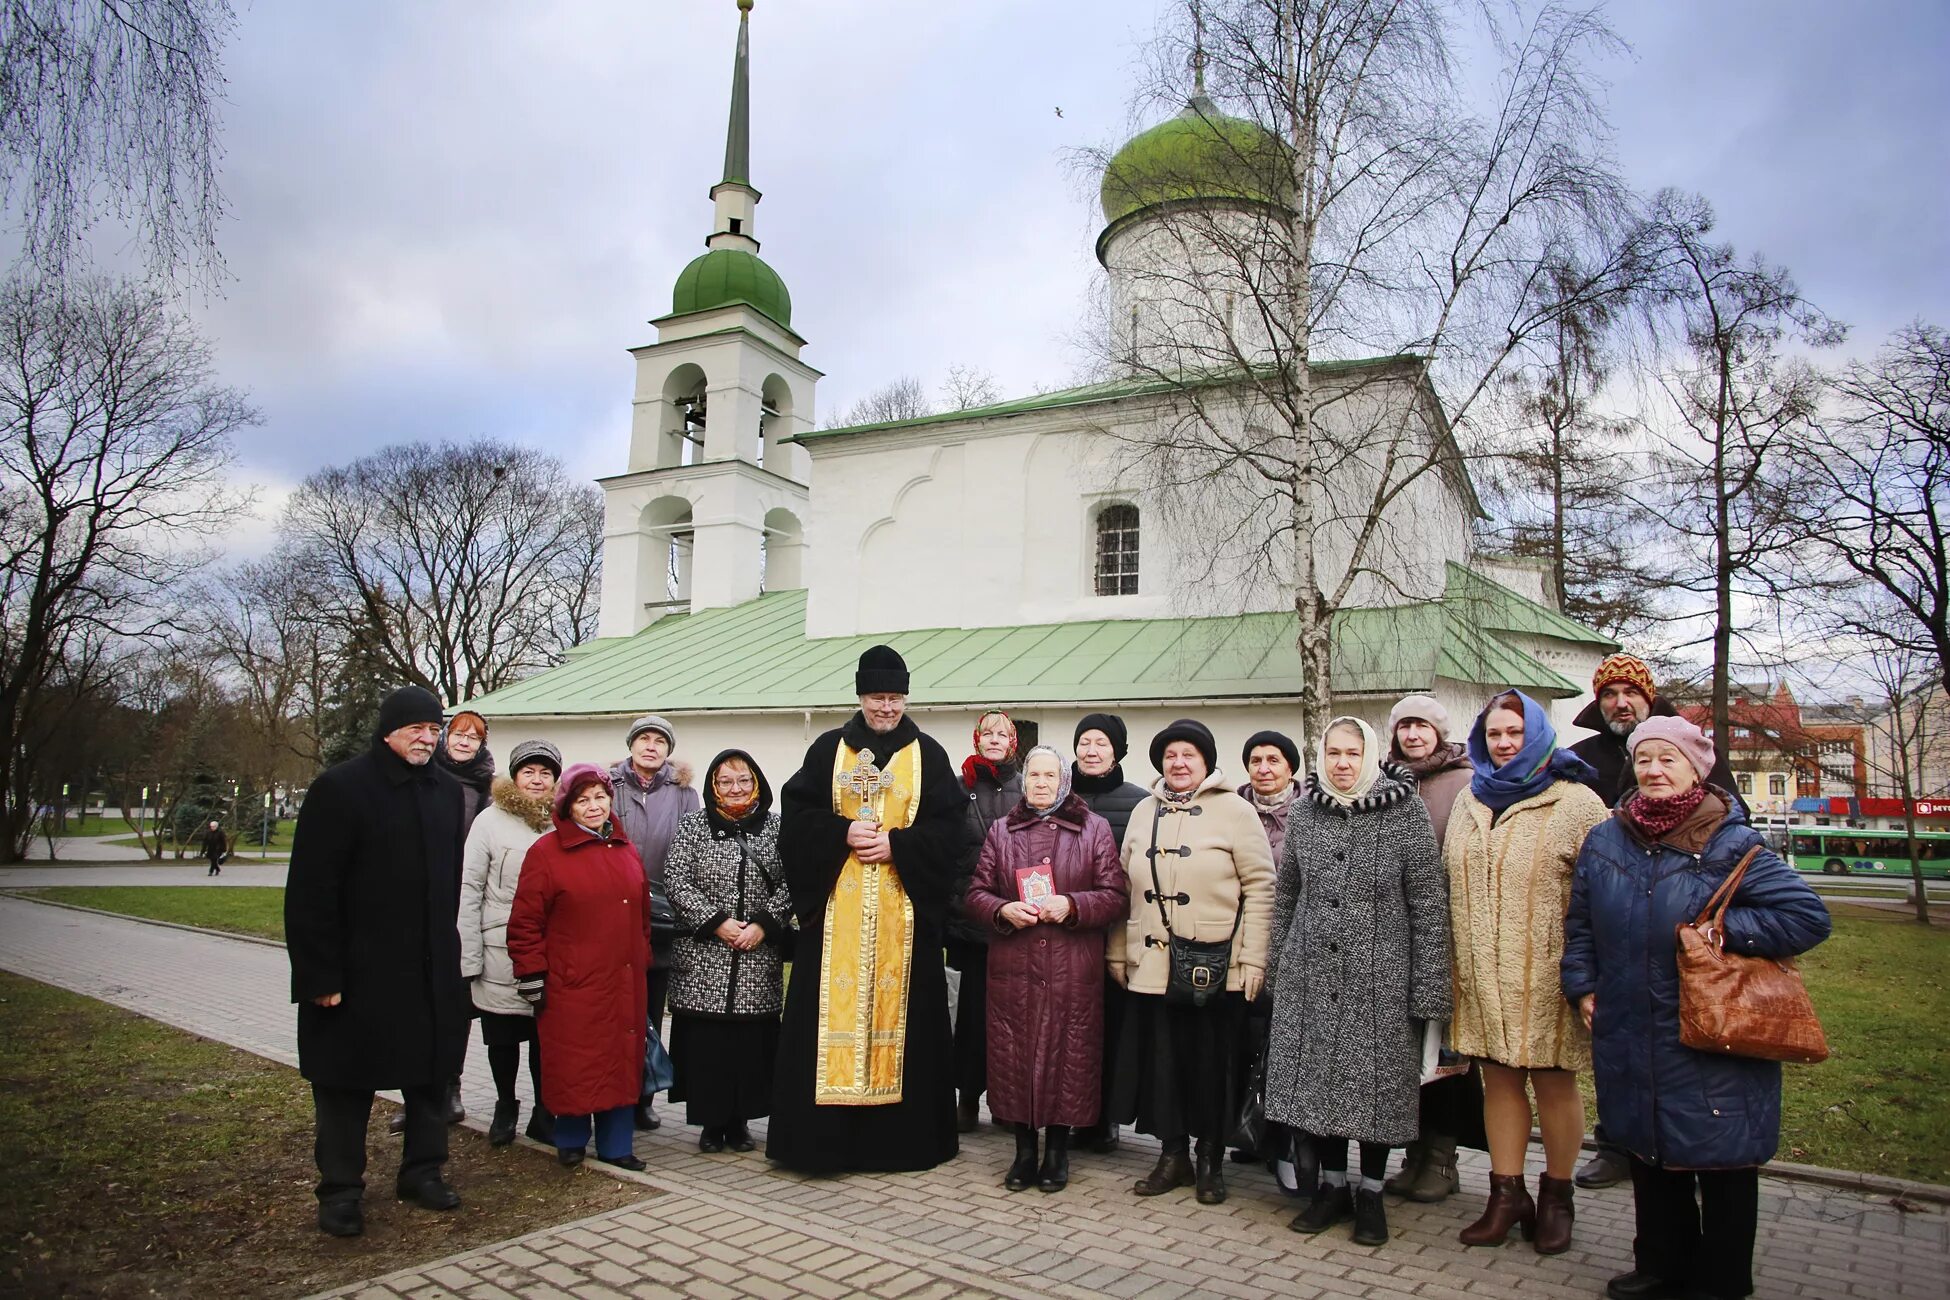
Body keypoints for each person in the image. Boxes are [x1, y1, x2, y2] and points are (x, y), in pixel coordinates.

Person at [1562, 715, 1830, 1300]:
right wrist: (1582, 986)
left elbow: (1807, 917)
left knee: (1722, 1158)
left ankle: (1724, 1277)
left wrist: (1717, 930)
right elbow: (1580, 923)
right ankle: (1662, 1264)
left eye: (1669, 759)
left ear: (1696, 768)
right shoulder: (1608, 838)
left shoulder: (1731, 840)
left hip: (1713, 1027)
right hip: (1632, 1025)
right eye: (1644, 759)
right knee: (1649, 1150)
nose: (1654, 770)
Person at [767, 645, 967, 1174]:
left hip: (905, 917)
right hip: (835, 915)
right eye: (878, 698)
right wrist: (842, 833)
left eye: (896, 698)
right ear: (860, 696)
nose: (887, 708)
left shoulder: (930, 755)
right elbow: (796, 819)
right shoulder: (829, 750)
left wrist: (899, 845)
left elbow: (951, 831)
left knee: (908, 1026)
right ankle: (821, 1143)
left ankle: (901, 1143)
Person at [284, 685, 468, 1238]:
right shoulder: (340, 789)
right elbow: (311, 891)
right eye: (416, 728)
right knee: (345, 1084)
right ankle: (340, 1191)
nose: (426, 737)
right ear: (388, 729)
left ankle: (423, 1172)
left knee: (431, 1077)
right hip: (359, 973)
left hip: (429, 968)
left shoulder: (444, 792)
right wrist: (319, 974)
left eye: (434, 729)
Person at [1268, 717, 1450, 1247]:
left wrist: (1430, 988)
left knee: (1375, 1091)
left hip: (1381, 979)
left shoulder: (1404, 812)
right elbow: (1288, 895)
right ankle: (1331, 1187)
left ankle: (1370, 1192)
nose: (1342, 763)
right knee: (1321, 1087)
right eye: (1333, 753)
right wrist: (1281, 967)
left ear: (1369, 755)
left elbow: (1427, 905)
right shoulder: (1305, 811)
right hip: (1311, 973)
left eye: (1352, 753)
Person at [1567, 654, 1742, 1190]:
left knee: (1681, 1052)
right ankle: (1618, 1144)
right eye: (1609, 694)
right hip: (1611, 912)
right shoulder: (1583, 758)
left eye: (1630, 692)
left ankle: (1690, 1150)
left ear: (1649, 696)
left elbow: (1730, 831)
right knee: (1617, 1050)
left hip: (1681, 923)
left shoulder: (1694, 748)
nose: (1621, 702)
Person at [1446, 690, 1607, 1255]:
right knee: (1499, 1081)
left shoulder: (1577, 802)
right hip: (1481, 972)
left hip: (1547, 975)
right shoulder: (1470, 799)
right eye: (1494, 734)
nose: (1504, 743)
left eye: (1514, 732)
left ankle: (1558, 1197)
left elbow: (1599, 898)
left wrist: (1591, 974)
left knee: (1555, 1081)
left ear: (1536, 734)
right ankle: (1506, 1194)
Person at [1108, 718, 1275, 1205]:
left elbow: (1262, 889)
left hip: (1214, 966)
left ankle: (1209, 1160)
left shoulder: (1237, 813)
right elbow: (1124, 887)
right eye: (1171, 756)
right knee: (1164, 1065)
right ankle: (1172, 1154)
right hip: (1153, 966)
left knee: (1212, 1065)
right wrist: (1118, 950)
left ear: (1206, 762)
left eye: (1189, 756)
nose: (1178, 764)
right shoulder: (1143, 812)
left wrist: (1252, 961)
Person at [967, 745, 1128, 1193]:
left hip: (1071, 966)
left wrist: (1073, 904)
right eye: (1033, 775)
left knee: (1069, 1056)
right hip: (1014, 965)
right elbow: (976, 894)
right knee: (1013, 1056)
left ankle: (1057, 1152)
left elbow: (1115, 895)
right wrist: (1003, 910)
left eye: (1049, 776)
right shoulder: (1002, 830)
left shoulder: (1091, 829)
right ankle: (1022, 1152)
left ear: (1064, 782)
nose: (1040, 783)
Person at [506, 764, 652, 1172]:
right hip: (572, 981)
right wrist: (530, 971)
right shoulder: (546, 853)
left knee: (621, 1059)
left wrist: (640, 957)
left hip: (623, 979)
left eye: (600, 798)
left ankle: (616, 1145)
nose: (593, 807)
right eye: (582, 800)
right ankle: (569, 1139)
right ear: (567, 807)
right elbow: (525, 922)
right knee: (575, 1061)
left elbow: (641, 916)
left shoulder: (626, 849)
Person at [664, 749, 794, 1154]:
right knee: (708, 1046)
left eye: (743, 780)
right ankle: (710, 1122)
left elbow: (794, 881)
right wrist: (717, 921)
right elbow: (676, 877)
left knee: (750, 1045)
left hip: (757, 953)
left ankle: (740, 1123)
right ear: (712, 787)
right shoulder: (693, 826)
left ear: (756, 783)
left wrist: (762, 924)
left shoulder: (776, 828)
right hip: (705, 954)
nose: (734, 789)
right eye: (725, 781)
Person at [1382, 693, 1482, 1203]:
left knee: (1446, 1052)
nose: (1413, 735)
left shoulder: (1466, 783)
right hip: (1392, 937)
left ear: (1440, 732)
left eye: (1422, 726)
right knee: (1405, 1050)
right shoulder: (1386, 785)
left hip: (1446, 935)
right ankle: (1414, 1152)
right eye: (1405, 727)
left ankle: (1443, 1157)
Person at [458, 738, 561, 1148]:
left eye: (545, 772)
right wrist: (469, 956)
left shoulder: (562, 820)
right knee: (501, 1036)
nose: (537, 780)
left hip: (549, 949)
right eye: (529, 772)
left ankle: (544, 1110)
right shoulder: (490, 820)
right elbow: (470, 888)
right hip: (499, 949)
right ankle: (505, 1104)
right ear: (515, 777)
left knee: (544, 1037)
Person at [608, 713, 701, 1131]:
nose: (651, 746)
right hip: (613, 910)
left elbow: (691, 846)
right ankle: (614, 1092)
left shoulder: (683, 792)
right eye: (643, 738)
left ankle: (643, 1094)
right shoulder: (607, 787)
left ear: (668, 750)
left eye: (659, 741)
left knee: (650, 1004)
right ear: (631, 745)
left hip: (664, 913)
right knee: (614, 1006)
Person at [1068, 712, 1150, 1157]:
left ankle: (1105, 1119)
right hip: (1067, 932)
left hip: (1116, 934)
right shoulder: (1062, 799)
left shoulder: (1138, 802)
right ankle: (1072, 1111)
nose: (1092, 750)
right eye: (1085, 742)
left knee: (1112, 1029)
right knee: (1072, 1029)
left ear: (1118, 751)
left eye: (1101, 743)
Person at [1231, 728, 1306, 1190]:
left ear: (1290, 767)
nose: (1264, 768)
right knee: (1246, 1040)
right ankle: (1249, 1128)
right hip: (1236, 946)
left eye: (1273, 760)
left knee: (1285, 1048)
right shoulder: (1232, 811)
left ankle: (1286, 1139)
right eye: (1255, 760)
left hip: (1292, 946)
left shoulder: (1308, 814)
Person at [951, 709, 1024, 1132]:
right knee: (970, 1017)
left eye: (1003, 732)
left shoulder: (1026, 787)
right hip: (967, 919)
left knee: (1010, 1018)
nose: (994, 738)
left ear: (1013, 741)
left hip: (1013, 923)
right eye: (987, 732)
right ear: (976, 739)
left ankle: (1006, 1100)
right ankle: (965, 1097)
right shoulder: (959, 788)